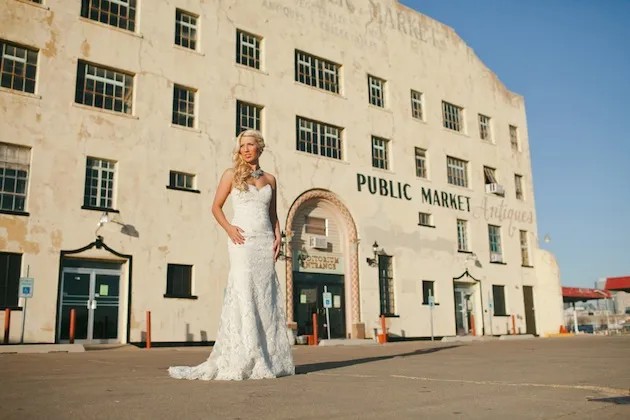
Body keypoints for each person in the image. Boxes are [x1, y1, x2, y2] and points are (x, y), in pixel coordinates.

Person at [168, 129, 295, 380]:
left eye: (250, 145)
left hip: (264, 241)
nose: (246, 149)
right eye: (242, 146)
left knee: (265, 297)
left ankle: (267, 356)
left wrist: (279, 236)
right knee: (244, 292)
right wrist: (229, 229)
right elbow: (215, 207)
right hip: (242, 241)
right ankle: (246, 355)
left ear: (260, 147)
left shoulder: (270, 179)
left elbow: (272, 214)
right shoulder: (231, 174)